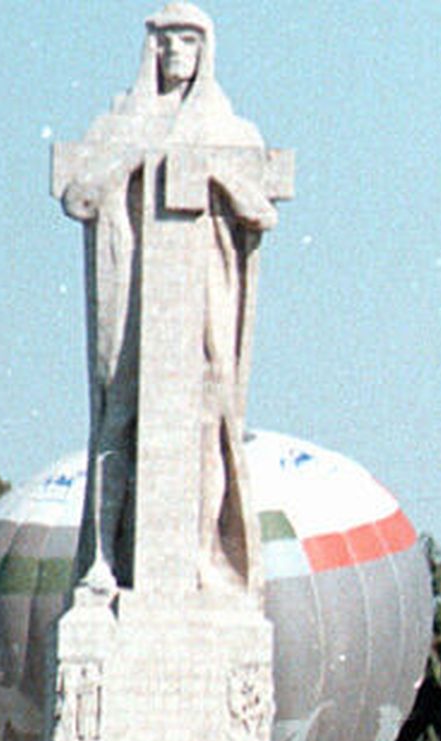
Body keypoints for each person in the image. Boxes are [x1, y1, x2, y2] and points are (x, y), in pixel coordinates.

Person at [59, 2, 276, 595]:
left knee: (209, 422)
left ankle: (201, 559)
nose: (176, 53)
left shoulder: (229, 131)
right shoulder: (118, 124)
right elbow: (78, 197)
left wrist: (215, 177)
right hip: (130, 294)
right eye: (166, 41)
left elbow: (261, 211)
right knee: (118, 421)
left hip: (201, 298)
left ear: (207, 51)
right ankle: (105, 559)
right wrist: (131, 159)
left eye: (188, 41)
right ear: (149, 49)